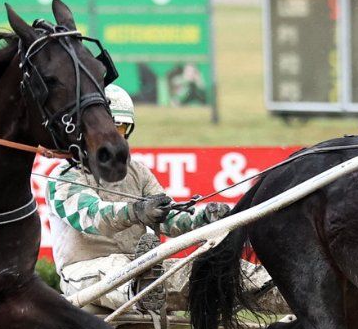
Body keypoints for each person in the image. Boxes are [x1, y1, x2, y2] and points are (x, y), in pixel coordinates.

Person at [46, 84, 280, 314]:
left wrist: (203, 218)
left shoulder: (138, 172)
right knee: (122, 270)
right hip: (85, 275)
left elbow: (168, 218)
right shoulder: (64, 178)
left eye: (119, 129)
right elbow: (94, 216)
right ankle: (142, 288)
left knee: (210, 270)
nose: (111, 139)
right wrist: (136, 211)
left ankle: (284, 289)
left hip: (148, 268)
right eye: (104, 130)